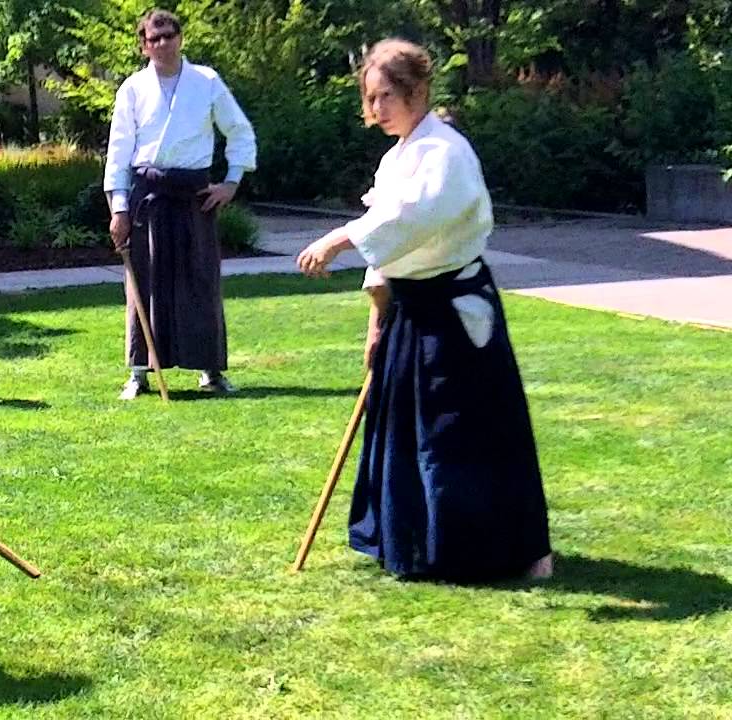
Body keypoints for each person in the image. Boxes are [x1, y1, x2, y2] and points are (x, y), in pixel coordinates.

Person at [296, 38, 553, 582]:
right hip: (410, 313)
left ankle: (519, 551)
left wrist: (338, 239)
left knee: (464, 430)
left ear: (416, 90)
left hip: (458, 318)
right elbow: (391, 253)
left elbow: (412, 222)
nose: (377, 109)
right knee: (408, 431)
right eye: (371, 97)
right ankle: (420, 545)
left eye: (386, 96)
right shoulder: (398, 157)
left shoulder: (446, 152)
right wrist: (376, 321)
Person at [103, 8, 257, 399]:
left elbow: (239, 131)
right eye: (154, 38)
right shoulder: (132, 89)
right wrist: (118, 208)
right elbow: (119, 152)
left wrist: (231, 182)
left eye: (169, 35)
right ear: (143, 46)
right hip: (147, 196)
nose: (162, 44)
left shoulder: (206, 81)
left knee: (200, 281)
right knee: (144, 282)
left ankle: (211, 370)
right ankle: (139, 372)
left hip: (194, 196)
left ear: (180, 38)